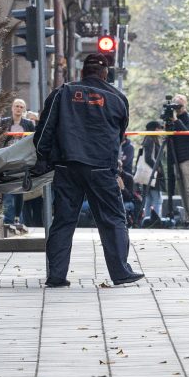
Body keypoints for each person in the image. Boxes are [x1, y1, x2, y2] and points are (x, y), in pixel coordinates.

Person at [34, 53, 144, 287]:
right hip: (101, 168)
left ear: (82, 72)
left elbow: (44, 130)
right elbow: (120, 135)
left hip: (67, 165)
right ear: (106, 74)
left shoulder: (62, 93)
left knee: (64, 220)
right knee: (113, 219)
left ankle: (56, 275)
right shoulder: (118, 98)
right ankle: (120, 272)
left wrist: (43, 158)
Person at [0, 99, 36, 229]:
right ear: (12, 108)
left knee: (20, 189)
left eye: (21, 107)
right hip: (7, 158)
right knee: (6, 188)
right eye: (16, 106)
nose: (18, 109)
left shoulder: (28, 124)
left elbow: (33, 140)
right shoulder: (4, 122)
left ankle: (16, 218)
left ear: (24, 109)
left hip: (21, 160)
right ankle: (7, 218)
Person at [165, 94, 189, 224]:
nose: (178, 108)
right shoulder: (172, 119)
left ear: (185, 105)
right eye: (176, 104)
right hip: (175, 158)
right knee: (182, 189)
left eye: (180, 104)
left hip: (188, 158)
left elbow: (187, 134)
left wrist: (176, 120)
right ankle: (186, 218)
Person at [139, 120, 165, 220]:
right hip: (152, 174)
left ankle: (147, 220)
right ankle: (156, 220)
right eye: (159, 128)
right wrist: (157, 168)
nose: (160, 130)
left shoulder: (147, 139)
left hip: (148, 174)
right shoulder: (150, 140)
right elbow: (148, 158)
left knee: (149, 199)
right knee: (157, 199)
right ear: (155, 129)